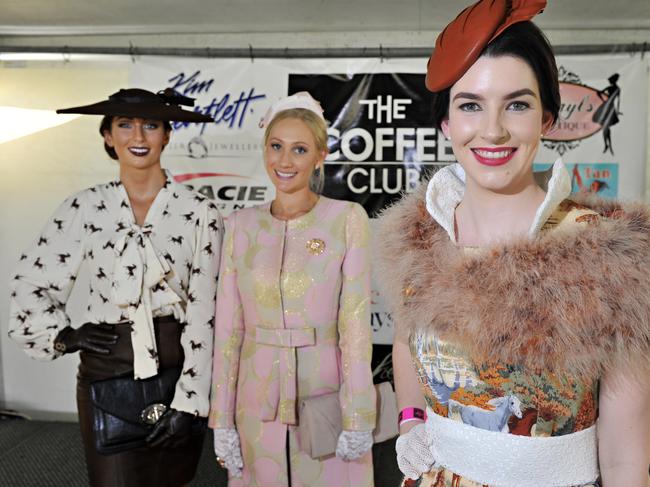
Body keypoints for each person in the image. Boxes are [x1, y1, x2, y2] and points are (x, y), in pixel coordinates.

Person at [376, 1, 650, 486]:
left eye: (517, 104)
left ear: (547, 118)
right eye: (470, 105)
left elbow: (626, 460)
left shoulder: (607, 255)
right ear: (446, 124)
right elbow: (404, 340)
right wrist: (411, 419)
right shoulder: (419, 239)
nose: (493, 129)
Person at [8, 88, 223, 487]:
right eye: (125, 125)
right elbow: (34, 280)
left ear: (167, 135)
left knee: (172, 481)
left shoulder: (199, 211)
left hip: (179, 372)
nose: (138, 137)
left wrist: (191, 399)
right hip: (106, 371)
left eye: (151, 126)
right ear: (108, 135)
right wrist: (64, 336)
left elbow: (207, 309)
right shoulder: (84, 208)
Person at [209, 92, 376, 487]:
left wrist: (358, 415)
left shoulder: (346, 219)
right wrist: (221, 419)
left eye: (299, 149)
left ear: (321, 155)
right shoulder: (239, 225)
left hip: (326, 392)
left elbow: (355, 328)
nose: (285, 161)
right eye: (276, 147)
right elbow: (227, 332)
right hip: (255, 395)